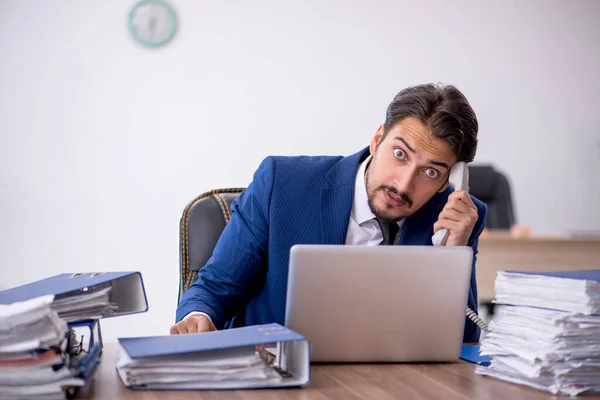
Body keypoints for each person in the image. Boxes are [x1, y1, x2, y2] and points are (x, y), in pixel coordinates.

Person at [171, 83, 487, 342]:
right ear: (377, 140)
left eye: (431, 172)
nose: (403, 184)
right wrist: (198, 318)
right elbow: (215, 287)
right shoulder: (281, 183)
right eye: (400, 154)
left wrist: (452, 253)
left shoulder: (453, 218)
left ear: (450, 179)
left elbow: (466, 338)